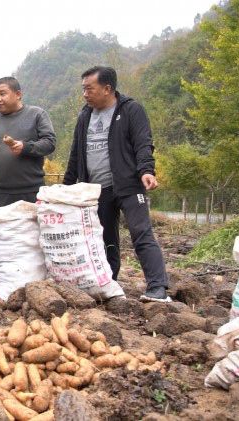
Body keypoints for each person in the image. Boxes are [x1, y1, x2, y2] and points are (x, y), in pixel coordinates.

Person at [63, 66, 170, 303]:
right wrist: (66, 187)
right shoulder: (84, 116)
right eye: (83, 89)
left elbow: (143, 143)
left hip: (129, 186)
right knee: (104, 239)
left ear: (107, 88)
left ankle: (157, 287)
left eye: (89, 89)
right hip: (96, 190)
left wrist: (146, 170)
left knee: (141, 233)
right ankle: (108, 283)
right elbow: (75, 154)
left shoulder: (131, 110)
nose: (85, 94)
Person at [0, 76, 56, 292]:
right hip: (0, 192)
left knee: (33, 240)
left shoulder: (36, 115)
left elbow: (50, 143)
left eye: (2, 93)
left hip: (31, 190)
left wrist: (25, 147)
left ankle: (36, 285)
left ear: (18, 94)